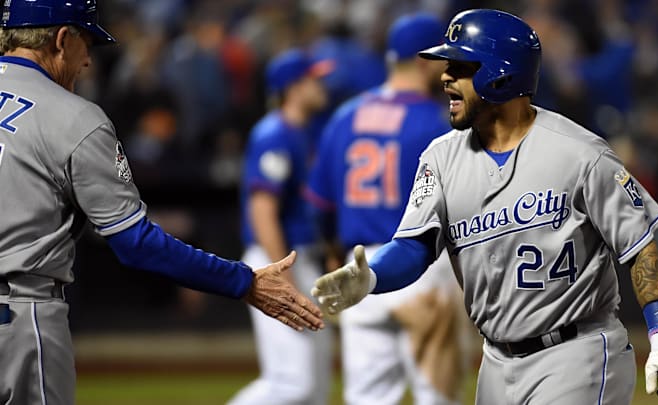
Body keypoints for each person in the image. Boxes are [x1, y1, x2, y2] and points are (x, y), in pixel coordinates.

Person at [312, 8, 658, 404]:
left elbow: (640, 248)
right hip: (495, 362)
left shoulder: (580, 154)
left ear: (499, 74)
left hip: (576, 352)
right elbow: (414, 246)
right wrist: (371, 277)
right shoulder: (440, 159)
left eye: (460, 67)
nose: (445, 77)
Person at [0, 2, 324, 405]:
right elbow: (136, 243)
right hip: (18, 315)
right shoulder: (73, 117)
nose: (87, 62)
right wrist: (243, 281)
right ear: (63, 39)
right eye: (87, 43)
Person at [305, 12, 466, 405]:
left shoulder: (345, 118)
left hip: (359, 271)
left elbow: (320, 205)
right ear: (425, 60)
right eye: (445, 60)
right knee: (438, 398)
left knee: (368, 399)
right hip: (423, 272)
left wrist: (332, 253)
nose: (450, 70)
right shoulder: (439, 121)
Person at [226, 48, 334, 405]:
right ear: (293, 87)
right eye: (313, 78)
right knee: (293, 382)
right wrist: (281, 277)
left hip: (298, 257)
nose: (321, 84)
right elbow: (262, 211)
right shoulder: (274, 133)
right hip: (278, 260)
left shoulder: (303, 131)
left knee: (316, 384)